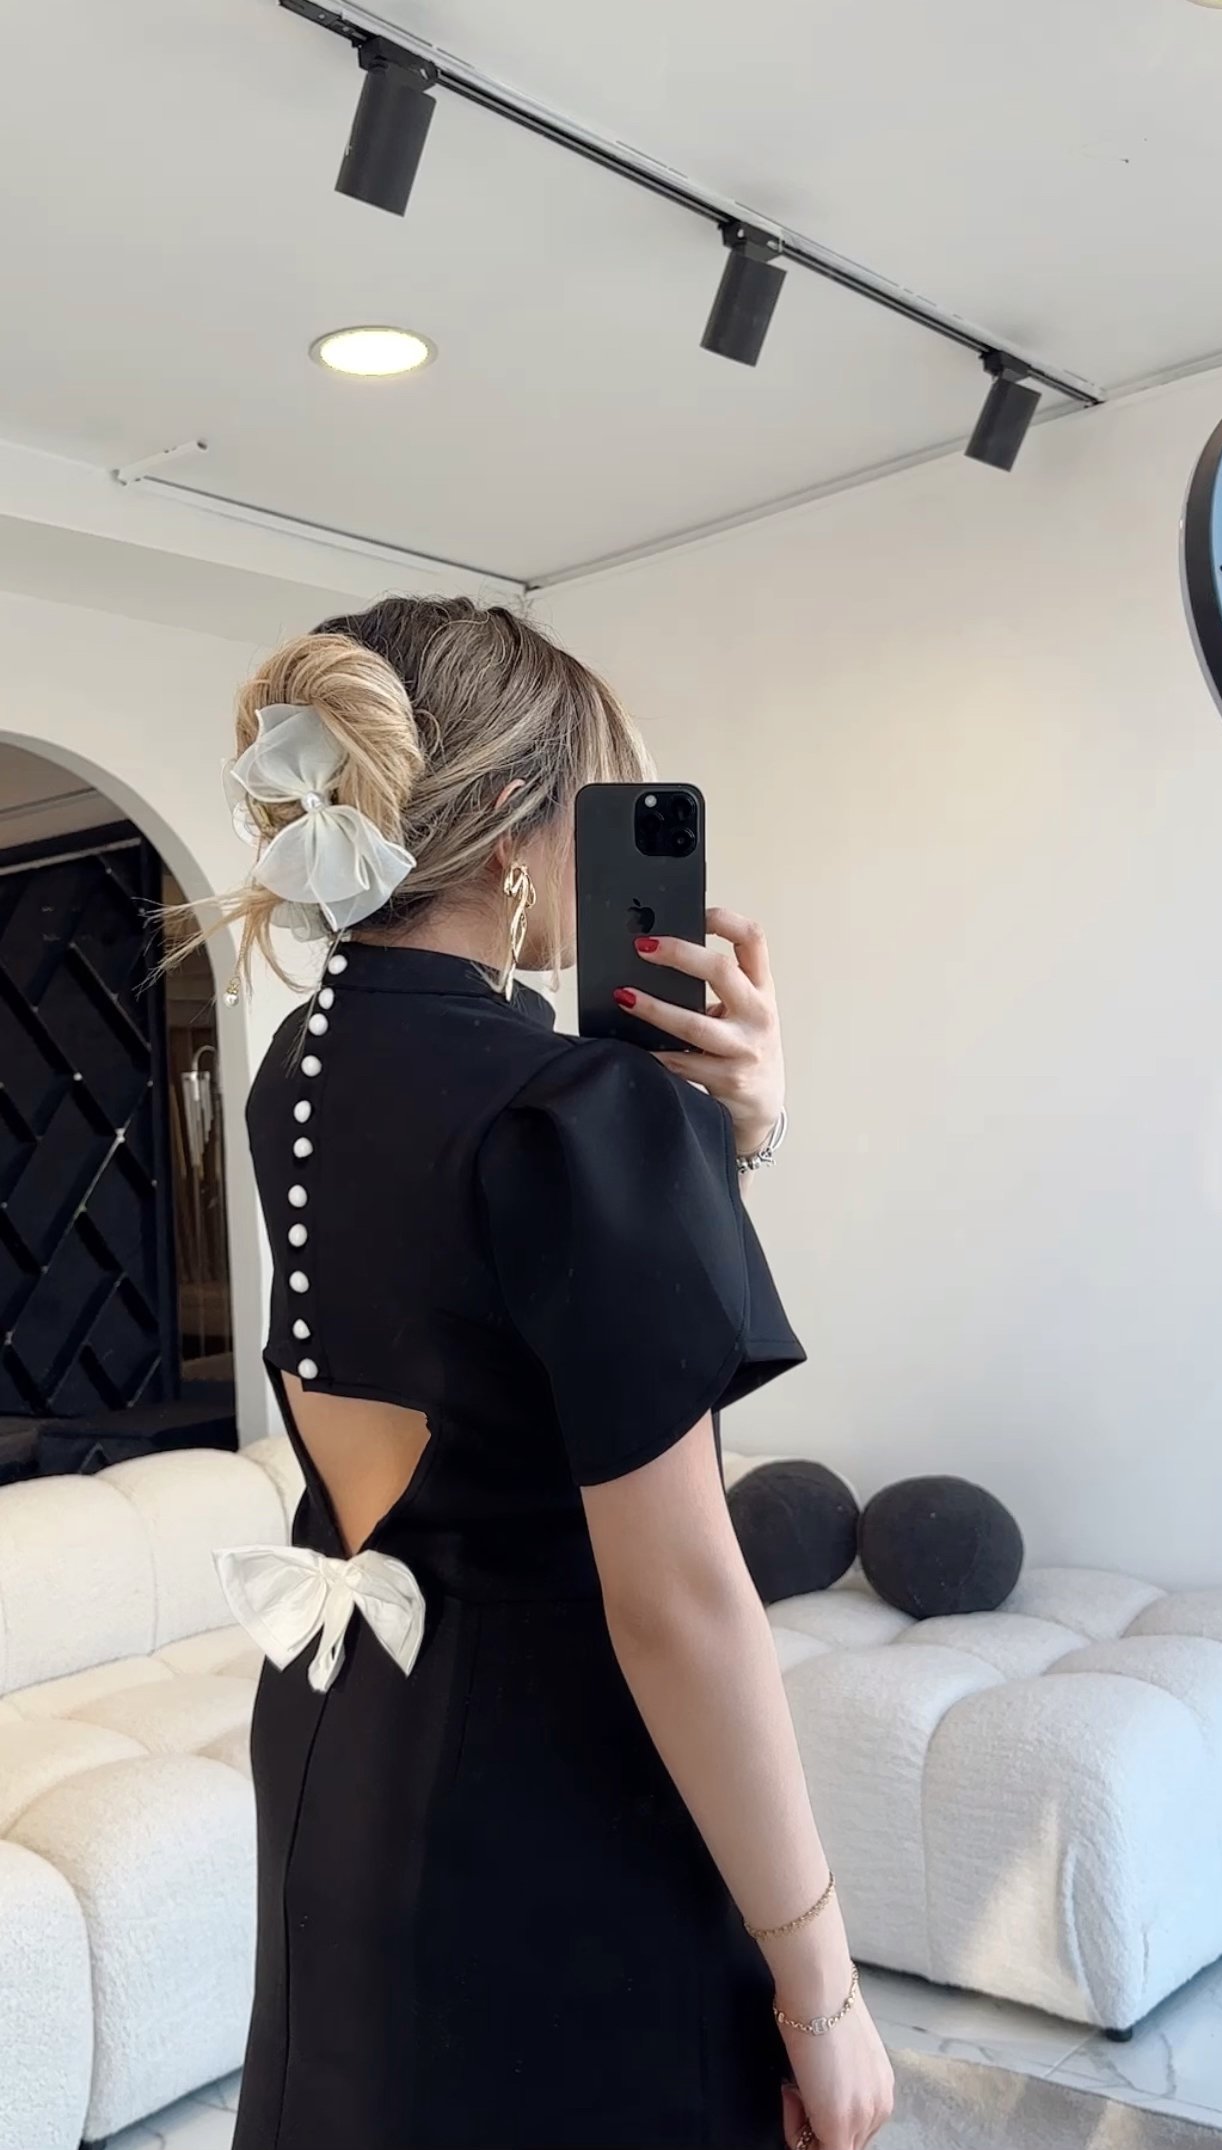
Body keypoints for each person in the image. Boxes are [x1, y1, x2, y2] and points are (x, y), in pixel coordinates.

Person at [194, 597, 894, 2150]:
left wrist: (720, 1144)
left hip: (338, 1736)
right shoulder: (581, 1105)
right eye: (593, 804)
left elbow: (495, 1330)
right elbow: (679, 1598)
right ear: (518, 825)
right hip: (553, 1787)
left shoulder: (295, 1066)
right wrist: (823, 1985)